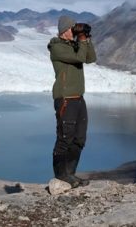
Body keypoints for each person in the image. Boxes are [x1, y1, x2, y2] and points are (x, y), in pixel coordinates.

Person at [47, 15, 96, 188]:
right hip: (65, 97)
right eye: (72, 28)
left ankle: (71, 174)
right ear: (64, 30)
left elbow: (90, 58)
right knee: (65, 138)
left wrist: (86, 39)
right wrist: (81, 40)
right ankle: (61, 176)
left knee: (79, 138)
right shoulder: (57, 48)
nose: (75, 30)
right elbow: (80, 58)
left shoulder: (74, 46)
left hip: (78, 97)